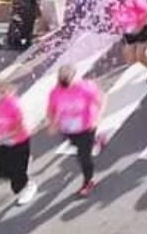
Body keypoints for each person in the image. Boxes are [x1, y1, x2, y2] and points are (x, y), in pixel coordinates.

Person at [45, 64, 105, 198]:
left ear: (75, 78)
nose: (65, 86)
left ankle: (88, 181)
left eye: (68, 83)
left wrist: (97, 119)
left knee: (83, 157)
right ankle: (98, 140)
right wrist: (53, 123)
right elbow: (50, 109)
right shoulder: (56, 92)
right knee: (76, 145)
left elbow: (101, 100)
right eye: (62, 83)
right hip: (68, 130)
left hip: (86, 127)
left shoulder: (86, 87)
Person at [0, 76, 38, 206]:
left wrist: (9, 136)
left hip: (17, 140)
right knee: (0, 169)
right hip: (1, 139)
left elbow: (19, 123)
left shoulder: (11, 103)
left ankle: (27, 188)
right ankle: (24, 163)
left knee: (16, 173)